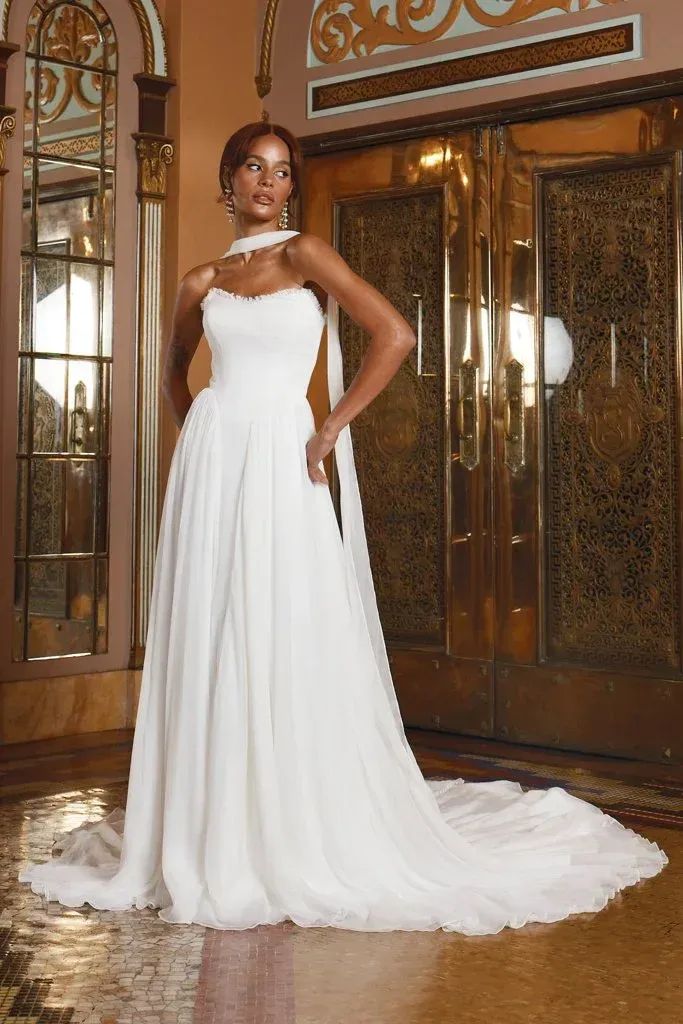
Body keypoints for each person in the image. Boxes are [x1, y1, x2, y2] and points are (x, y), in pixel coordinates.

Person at [19, 121, 667, 934]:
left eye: (282, 172)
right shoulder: (201, 278)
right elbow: (176, 374)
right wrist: (205, 441)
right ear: (228, 180)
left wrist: (328, 428)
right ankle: (210, 822)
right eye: (253, 168)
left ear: (291, 187)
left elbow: (392, 335)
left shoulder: (305, 256)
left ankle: (287, 822)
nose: (267, 183)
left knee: (282, 622)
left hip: (282, 461)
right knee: (213, 628)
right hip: (220, 466)